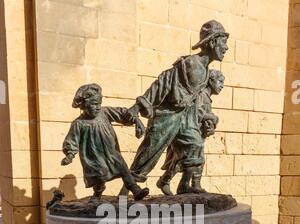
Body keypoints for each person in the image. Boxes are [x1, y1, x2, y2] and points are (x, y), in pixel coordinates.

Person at [119, 20, 229, 196]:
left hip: (184, 120)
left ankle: (186, 185)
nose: (226, 48)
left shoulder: (207, 71)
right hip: (166, 117)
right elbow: (163, 82)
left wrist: (206, 118)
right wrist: (137, 107)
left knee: (195, 144)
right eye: (223, 42)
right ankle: (123, 195)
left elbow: (198, 100)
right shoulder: (190, 63)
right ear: (212, 41)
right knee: (148, 155)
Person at [61, 83, 149, 202]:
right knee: (99, 175)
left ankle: (135, 190)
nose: (97, 107)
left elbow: (122, 114)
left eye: (99, 104)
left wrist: (136, 120)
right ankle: (97, 194)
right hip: (93, 156)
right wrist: (70, 155)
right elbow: (72, 140)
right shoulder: (78, 123)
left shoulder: (105, 113)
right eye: (93, 104)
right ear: (84, 105)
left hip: (111, 151)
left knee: (123, 168)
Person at [157, 69, 225, 196]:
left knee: (181, 158)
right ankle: (191, 185)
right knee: (195, 157)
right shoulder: (201, 95)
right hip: (185, 130)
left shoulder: (206, 97)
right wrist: (213, 118)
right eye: (220, 81)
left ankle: (165, 181)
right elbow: (199, 113)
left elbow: (202, 116)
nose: (222, 86)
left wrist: (210, 124)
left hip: (192, 131)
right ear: (211, 80)